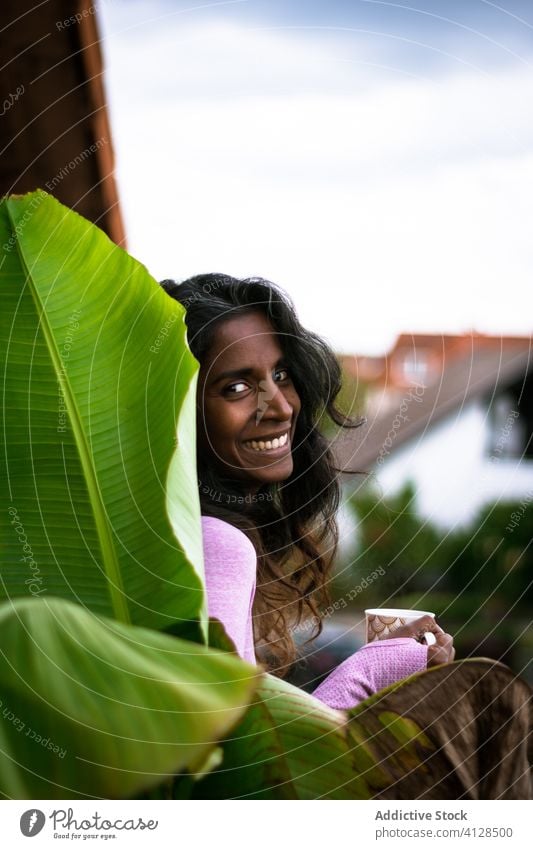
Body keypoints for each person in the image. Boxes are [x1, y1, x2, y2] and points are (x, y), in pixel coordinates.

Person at [160, 273, 455, 709]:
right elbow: (243, 764)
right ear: (181, 408)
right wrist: (373, 670)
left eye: (280, 374)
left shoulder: (168, 533)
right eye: (237, 387)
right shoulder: (217, 544)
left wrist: (381, 658)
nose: (279, 406)